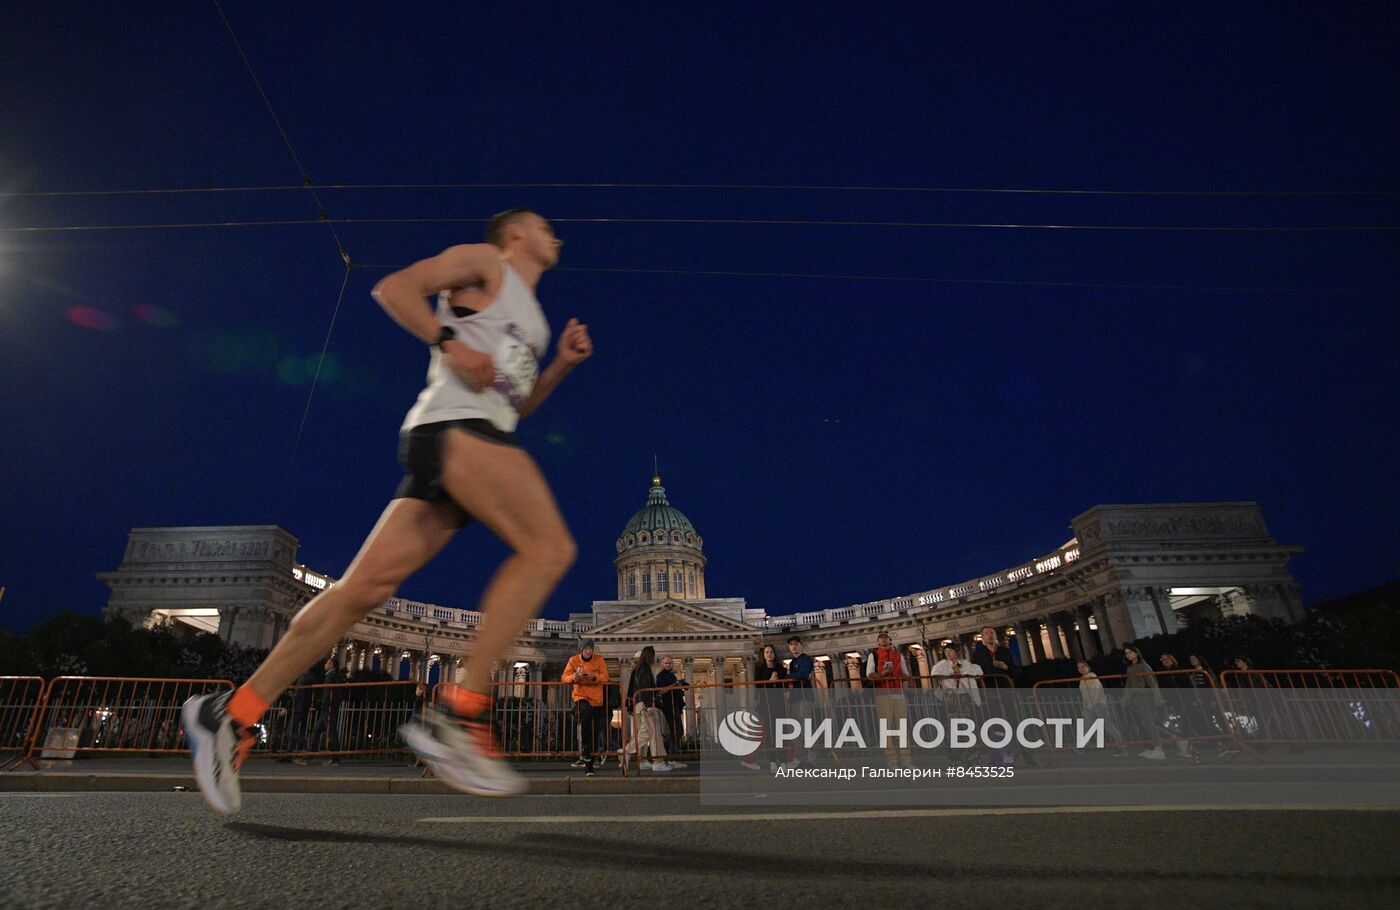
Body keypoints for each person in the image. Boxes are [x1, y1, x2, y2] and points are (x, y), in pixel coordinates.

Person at [182, 209, 592, 814]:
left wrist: (560, 364)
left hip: (477, 435)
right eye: (543, 224)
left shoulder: (531, 317)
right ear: (515, 235)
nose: (555, 233)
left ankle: (231, 713)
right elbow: (394, 288)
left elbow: (515, 407)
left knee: (360, 590)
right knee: (549, 548)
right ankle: (461, 713)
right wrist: (447, 340)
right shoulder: (485, 264)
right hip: (456, 430)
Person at [625, 646, 677, 772]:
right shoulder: (643, 669)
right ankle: (629, 752)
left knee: (650, 732)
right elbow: (644, 689)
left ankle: (646, 759)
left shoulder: (639, 669)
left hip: (640, 705)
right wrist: (649, 706)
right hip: (644, 705)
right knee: (651, 733)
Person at [865, 633, 912, 768]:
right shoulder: (873, 655)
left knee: (902, 727)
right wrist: (884, 674)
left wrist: (900, 676)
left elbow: (906, 674)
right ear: (878, 643)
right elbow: (869, 674)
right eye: (881, 641)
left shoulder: (898, 655)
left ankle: (906, 760)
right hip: (882, 693)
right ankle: (891, 760)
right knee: (886, 728)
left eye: (886, 640)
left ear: (891, 641)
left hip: (898, 692)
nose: (884, 642)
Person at [564, 639, 609, 776]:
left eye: (590, 648)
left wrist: (593, 677)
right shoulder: (573, 660)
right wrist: (574, 677)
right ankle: (585, 749)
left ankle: (589, 766)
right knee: (586, 715)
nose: (588, 651)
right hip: (581, 697)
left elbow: (605, 677)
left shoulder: (599, 660)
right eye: (586, 649)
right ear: (581, 649)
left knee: (594, 732)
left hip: (596, 700)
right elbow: (564, 677)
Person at [1123, 645, 1167, 760]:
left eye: (1130, 652)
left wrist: (1157, 697)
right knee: (1144, 723)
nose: (1128, 655)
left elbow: (1151, 682)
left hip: (1145, 696)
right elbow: (1129, 684)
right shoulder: (1130, 667)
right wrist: (1126, 698)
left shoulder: (1143, 666)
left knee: (1148, 722)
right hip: (1136, 697)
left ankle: (1159, 748)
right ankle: (1153, 747)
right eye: (1126, 653)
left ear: (1136, 653)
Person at [752, 644, 790, 770]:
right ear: (763, 655)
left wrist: (778, 681)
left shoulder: (781, 669)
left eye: (771, 652)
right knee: (769, 733)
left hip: (779, 704)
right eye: (767, 652)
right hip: (766, 704)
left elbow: (785, 687)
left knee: (781, 732)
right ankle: (772, 760)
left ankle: (783, 760)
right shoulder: (759, 669)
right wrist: (769, 681)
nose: (769, 654)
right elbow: (758, 687)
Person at [785, 637, 815, 765]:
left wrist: (787, 676)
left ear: (801, 645)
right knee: (796, 728)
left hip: (805, 696)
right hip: (794, 698)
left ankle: (811, 758)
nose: (793, 647)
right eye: (791, 645)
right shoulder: (792, 663)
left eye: (796, 644)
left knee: (807, 727)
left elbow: (803, 674)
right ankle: (800, 757)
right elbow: (798, 676)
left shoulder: (807, 659)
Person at [654, 655, 688, 754]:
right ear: (662, 664)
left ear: (672, 664)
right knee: (675, 731)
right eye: (666, 663)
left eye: (669, 663)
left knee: (678, 730)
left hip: (675, 704)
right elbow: (660, 691)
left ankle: (673, 754)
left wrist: (681, 684)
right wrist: (675, 684)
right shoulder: (661, 676)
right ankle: (672, 756)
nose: (668, 665)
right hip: (668, 706)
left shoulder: (671, 675)